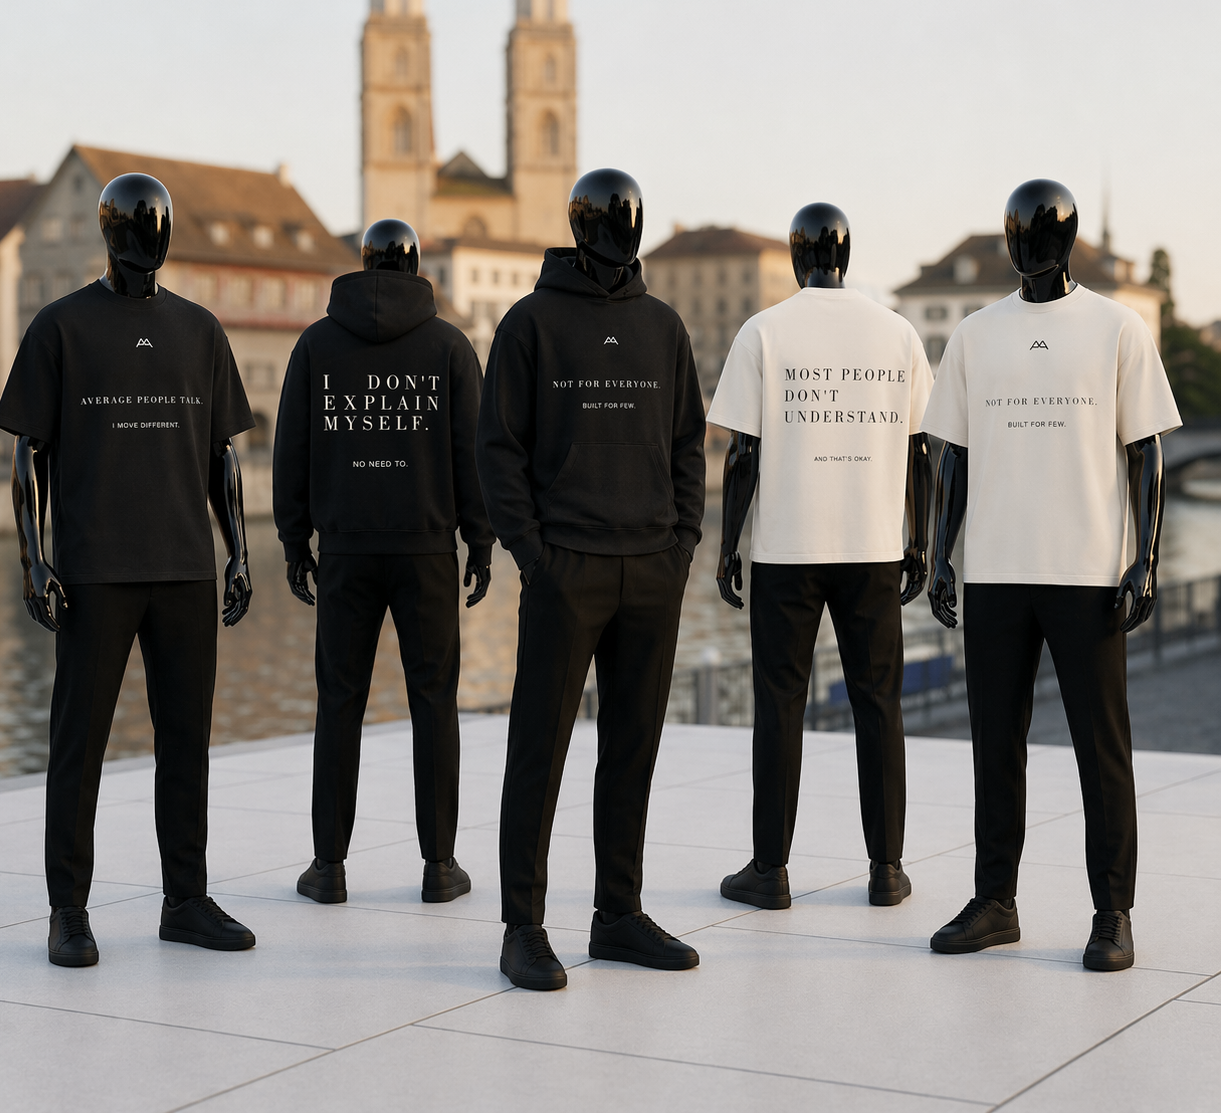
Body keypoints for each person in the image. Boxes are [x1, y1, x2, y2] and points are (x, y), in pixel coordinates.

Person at [0, 173, 257, 967]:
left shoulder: (201, 330)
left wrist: (238, 549)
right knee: (79, 744)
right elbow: (27, 454)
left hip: (185, 568)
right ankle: (67, 910)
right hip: (95, 570)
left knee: (189, 742)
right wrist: (33, 557)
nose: (150, 236)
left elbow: (223, 458)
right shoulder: (61, 327)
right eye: (137, 224)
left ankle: (186, 898)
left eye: (159, 223)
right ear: (109, 234)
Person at [923, 179, 1180, 971]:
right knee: (993, 745)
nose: (1027, 246)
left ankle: (1113, 912)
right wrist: (941, 552)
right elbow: (952, 456)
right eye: (1017, 232)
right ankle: (995, 901)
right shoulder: (975, 333)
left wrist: (1146, 555)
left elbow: (1146, 449)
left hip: (1087, 569)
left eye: (1040, 233)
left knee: (1103, 748)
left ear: (1064, 243)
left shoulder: (1117, 328)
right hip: (995, 567)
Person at [476, 169, 707, 990]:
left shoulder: (663, 325)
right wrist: (535, 555)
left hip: (651, 566)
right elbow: (497, 450)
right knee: (537, 749)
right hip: (565, 567)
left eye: (633, 216)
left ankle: (618, 915)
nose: (625, 229)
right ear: (581, 227)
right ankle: (523, 927)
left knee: (633, 747)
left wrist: (681, 545)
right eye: (613, 218)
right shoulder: (530, 323)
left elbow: (687, 446)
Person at [708, 203, 933, 911]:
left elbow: (743, 453)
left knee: (779, 705)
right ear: (846, 253)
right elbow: (920, 449)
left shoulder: (765, 331)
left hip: (786, 549)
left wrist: (728, 545)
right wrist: (921, 541)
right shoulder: (897, 333)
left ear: (798, 255)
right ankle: (887, 870)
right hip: (872, 546)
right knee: (879, 708)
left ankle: (769, 870)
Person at [272, 219, 493, 906]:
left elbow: (293, 448)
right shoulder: (450, 347)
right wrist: (481, 541)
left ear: (361, 266)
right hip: (426, 549)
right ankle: (439, 866)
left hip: (345, 550)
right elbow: (472, 455)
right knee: (435, 705)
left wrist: (292, 538)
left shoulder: (316, 345)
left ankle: (329, 867)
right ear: (418, 266)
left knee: (339, 704)